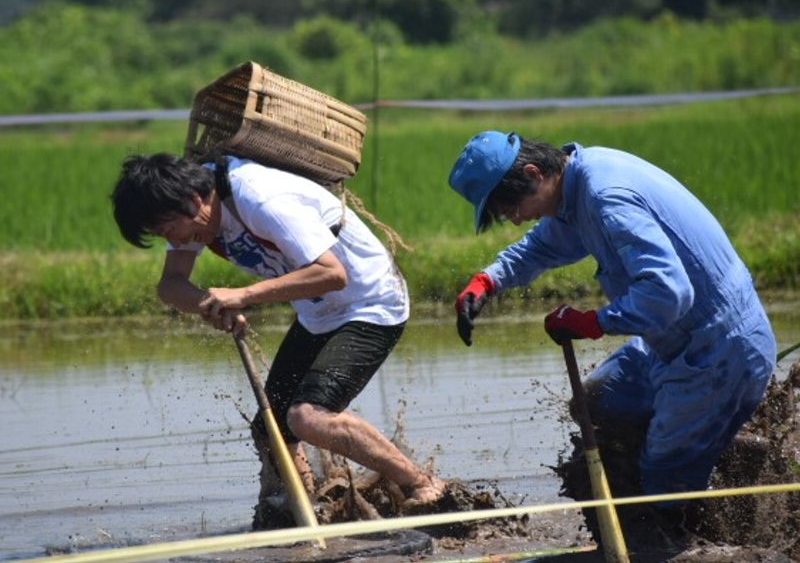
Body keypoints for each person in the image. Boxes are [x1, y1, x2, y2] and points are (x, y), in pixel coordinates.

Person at [448, 130, 776, 501]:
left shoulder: (606, 197)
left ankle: (679, 521)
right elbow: (542, 247)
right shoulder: (576, 189)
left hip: (720, 351)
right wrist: (487, 281)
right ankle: (710, 446)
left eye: (508, 209)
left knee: (663, 480)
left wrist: (593, 323)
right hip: (668, 342)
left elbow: (669, 292)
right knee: (596, 405)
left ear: (533, 174)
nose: (514, 221)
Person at [111, 152, 444, 507]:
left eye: (168, 231)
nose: (176, 243)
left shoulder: (261, 199)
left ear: (194, 202)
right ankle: (309, 506)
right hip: (318, 313)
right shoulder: (193, 209)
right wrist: (209, 303)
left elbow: (332, 274)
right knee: (270, 433)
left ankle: (423, 483)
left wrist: (243, 295)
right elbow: (171, 285)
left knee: (308, 416)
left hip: (371, 302)